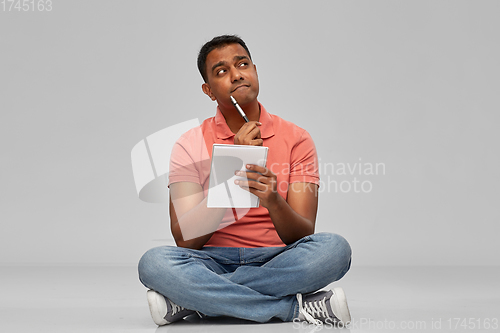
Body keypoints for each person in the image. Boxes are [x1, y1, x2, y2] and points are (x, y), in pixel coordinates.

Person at [138, 35, 352, 326]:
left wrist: (274, 200)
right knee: (154, 264)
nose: (237, 74)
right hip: (210, 261)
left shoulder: (297, 139)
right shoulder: (189, 144)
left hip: (278, 258)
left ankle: (197, 301)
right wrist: (232, 170)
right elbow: (185, 239)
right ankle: (293, 309)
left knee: (334, 251)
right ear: (209, 91)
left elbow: (302, 234)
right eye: (221, 71)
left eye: (243, 64)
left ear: (255, 70)